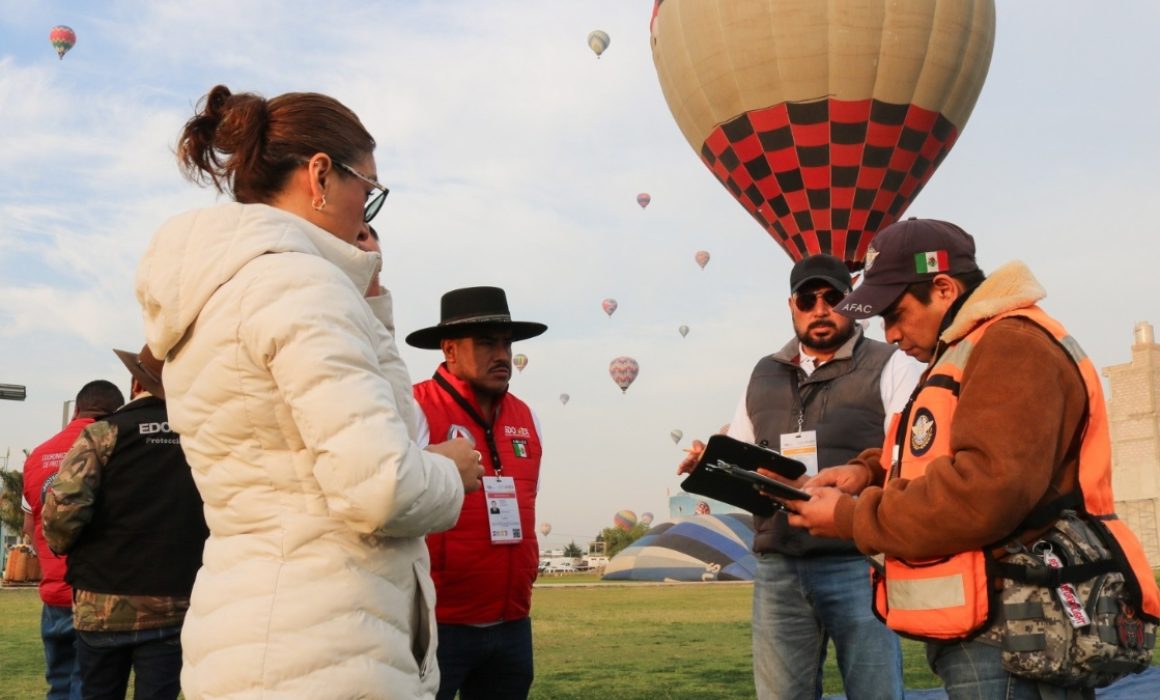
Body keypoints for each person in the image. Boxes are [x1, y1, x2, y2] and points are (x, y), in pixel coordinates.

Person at [133, 85, 484, 699]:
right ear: (320, 175)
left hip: (246, 625)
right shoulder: (302, 286)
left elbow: (370, 434)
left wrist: (371, 305)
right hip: (327, 644)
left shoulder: (224, 290)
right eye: (367, 189)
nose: (366, 212)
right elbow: (382, 488)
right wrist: (451, 472)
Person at [786, 218, 1160, 699]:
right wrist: (866, 471)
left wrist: (849, 517)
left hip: (1011, 631)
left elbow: (983, 491)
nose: (891, 333)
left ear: (943, 288)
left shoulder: (1009, 345)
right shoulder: (972, 348)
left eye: (895, 313)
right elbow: (941, 450)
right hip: (994, 627)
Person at [677, 253, 922, 700]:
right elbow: (745, 449)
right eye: (808, 299)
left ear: (852, 302)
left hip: (858, 559)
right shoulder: (764, 372)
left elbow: (910, 458)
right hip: (779, 563)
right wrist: (711, 462)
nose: (820, 308)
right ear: (791, 305)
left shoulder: (892, 364)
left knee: (877, 692)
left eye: (833, 297)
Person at [42, 345, 209, 700]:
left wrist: (63, 545)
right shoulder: (203, 438)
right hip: (176, 602)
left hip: (102, 602)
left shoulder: (103, 434)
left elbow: (63, 510)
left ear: (136, 383)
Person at [405, 286, 547, 700]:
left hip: (512, 621)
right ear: (449, 351)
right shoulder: (414, 408)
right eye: (486, 343)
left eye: (506, 343)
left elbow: (527, 503)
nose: (502, 355)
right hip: (439, 623)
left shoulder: (528, 417)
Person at [22, 380, 124, 700]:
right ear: (116, 413)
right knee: (87, 686)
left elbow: (29, 526)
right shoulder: (116, 449)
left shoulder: (37, 455)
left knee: (60, 685)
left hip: (53, 594)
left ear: (76, 410)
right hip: (95, 594)